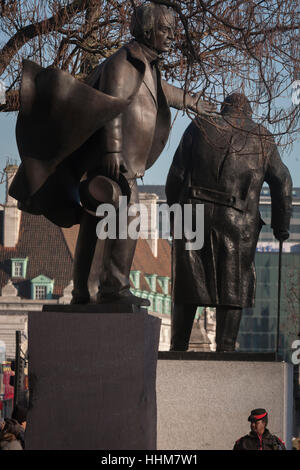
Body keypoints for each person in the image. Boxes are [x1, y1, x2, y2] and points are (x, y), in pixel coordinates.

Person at [9, 2, 214, 307]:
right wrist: (112, 149)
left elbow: (164, 92)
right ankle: (114, 287)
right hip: (114, 162)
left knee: (97, 223)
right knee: (127, 218)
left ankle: (84, 291)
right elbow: (111, 105)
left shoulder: (145, 66)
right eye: (165, 30)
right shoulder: (123, 63)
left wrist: (193, 101)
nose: (171, 37)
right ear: (148, 30)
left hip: (121, 163)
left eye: (172, 30)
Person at [166, 92, 292, 351]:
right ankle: (225, 349)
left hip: (193, 216)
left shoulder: (199, 126)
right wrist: (281, 226)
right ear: (247, 112)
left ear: (224, 109)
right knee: (234, 285)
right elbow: (283, 182)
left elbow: (175, 175)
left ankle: (178, 347)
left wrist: (175, 211)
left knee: (189, 282)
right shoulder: (262, 138)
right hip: (238, 222)